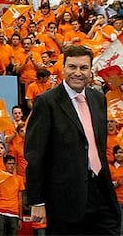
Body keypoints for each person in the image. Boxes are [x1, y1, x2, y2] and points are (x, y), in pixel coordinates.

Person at [24, 45, 121, 235]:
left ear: (90, 70)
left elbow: (97, 147)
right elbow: (35, 155)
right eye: (72, 67)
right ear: (63, 68)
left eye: (83, 68)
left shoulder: (98, 99)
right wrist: (37, 200)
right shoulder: (46, 102)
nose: (78, 73)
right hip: (65, 200)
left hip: (101, 192)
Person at [0, 155, 25, 236]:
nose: (12, 166)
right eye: (9, 163)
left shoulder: (19, 179)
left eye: (13, 164)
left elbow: (20, 199)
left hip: (14, 213)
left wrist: (20, 217)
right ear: (5, 165)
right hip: (0, 211)